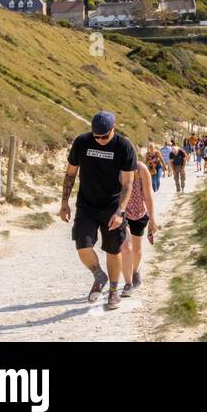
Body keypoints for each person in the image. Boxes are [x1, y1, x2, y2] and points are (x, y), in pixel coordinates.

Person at [60, 110, 137, 311]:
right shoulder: (81, 142)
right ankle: (98, 275)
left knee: (113, 249)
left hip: (112, 207)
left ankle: (113, 291)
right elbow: (70, 174)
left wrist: (120, 211)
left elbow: (128, 184)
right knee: (82, 246)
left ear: (113, 129)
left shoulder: (124, 146)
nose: (101, 140)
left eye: (105, 136)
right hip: (87, 205)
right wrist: (64, 203)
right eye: (97, 137)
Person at [119, 157, 156, 298]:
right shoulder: (116, 168)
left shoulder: (141, 169)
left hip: (140, 213)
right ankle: (127, 283)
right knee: (126, 247)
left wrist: (152, 219)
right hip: (122, 213)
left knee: (137, 249)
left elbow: (148, 194)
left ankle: (135, 271)